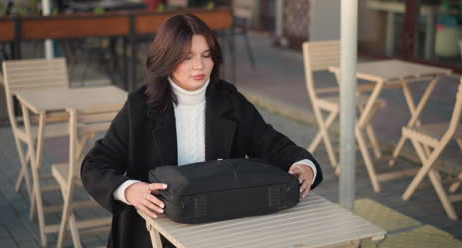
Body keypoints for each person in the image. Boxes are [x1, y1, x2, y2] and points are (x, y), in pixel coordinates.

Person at [81, 14, 323, 248]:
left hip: (220, 225)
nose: (199, 66)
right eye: (187, 57)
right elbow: (95, 166)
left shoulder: (229, 100)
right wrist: (129, 190)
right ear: (166, 59)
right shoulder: (140, 106)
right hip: (154, 229)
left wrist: (304, 164)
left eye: (206, 56)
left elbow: (271, 143)